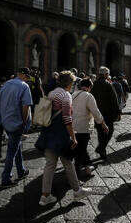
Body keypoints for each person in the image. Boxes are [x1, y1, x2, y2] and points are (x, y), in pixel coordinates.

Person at [35, 71, 93, 206]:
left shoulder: (52, 93)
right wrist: (73, 137)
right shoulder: (66, 96)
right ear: (69, 83)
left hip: (48, 132)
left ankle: (45, 196)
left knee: (50, 165)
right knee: (67, 162)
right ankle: (77, 191)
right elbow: (67, 119)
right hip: (60, 135)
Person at [0, 68, 33, 186]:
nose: (27, 80)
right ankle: (6, 178)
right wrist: (24, 122)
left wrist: (0, 118)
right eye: (27, 77)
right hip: (17, 122)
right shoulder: (24, 86)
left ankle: (21, 170)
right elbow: (26, 106)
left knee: (16, 145)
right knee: (12, 150)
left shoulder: (6, 84)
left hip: (5, 121)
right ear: (24, 76)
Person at [72, 78, 108, 177]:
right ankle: (83, 170)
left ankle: (81, 169)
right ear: (89, 87)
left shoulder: (73, 94)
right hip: (83, 127)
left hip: (72, 127)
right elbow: (95, 112)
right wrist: (103, 124)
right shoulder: (88, 96)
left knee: (79, 148)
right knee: (82, 148)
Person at [90, 66, 120, 160]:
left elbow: (91, 98)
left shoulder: (94, 84)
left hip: (97, 113)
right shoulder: (108, 84)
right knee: (110, 131)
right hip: (107, 114)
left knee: (100, 133)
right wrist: (118, 112)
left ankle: (103, 152)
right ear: (106, 74)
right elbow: (114, 100)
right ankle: (101, 148)